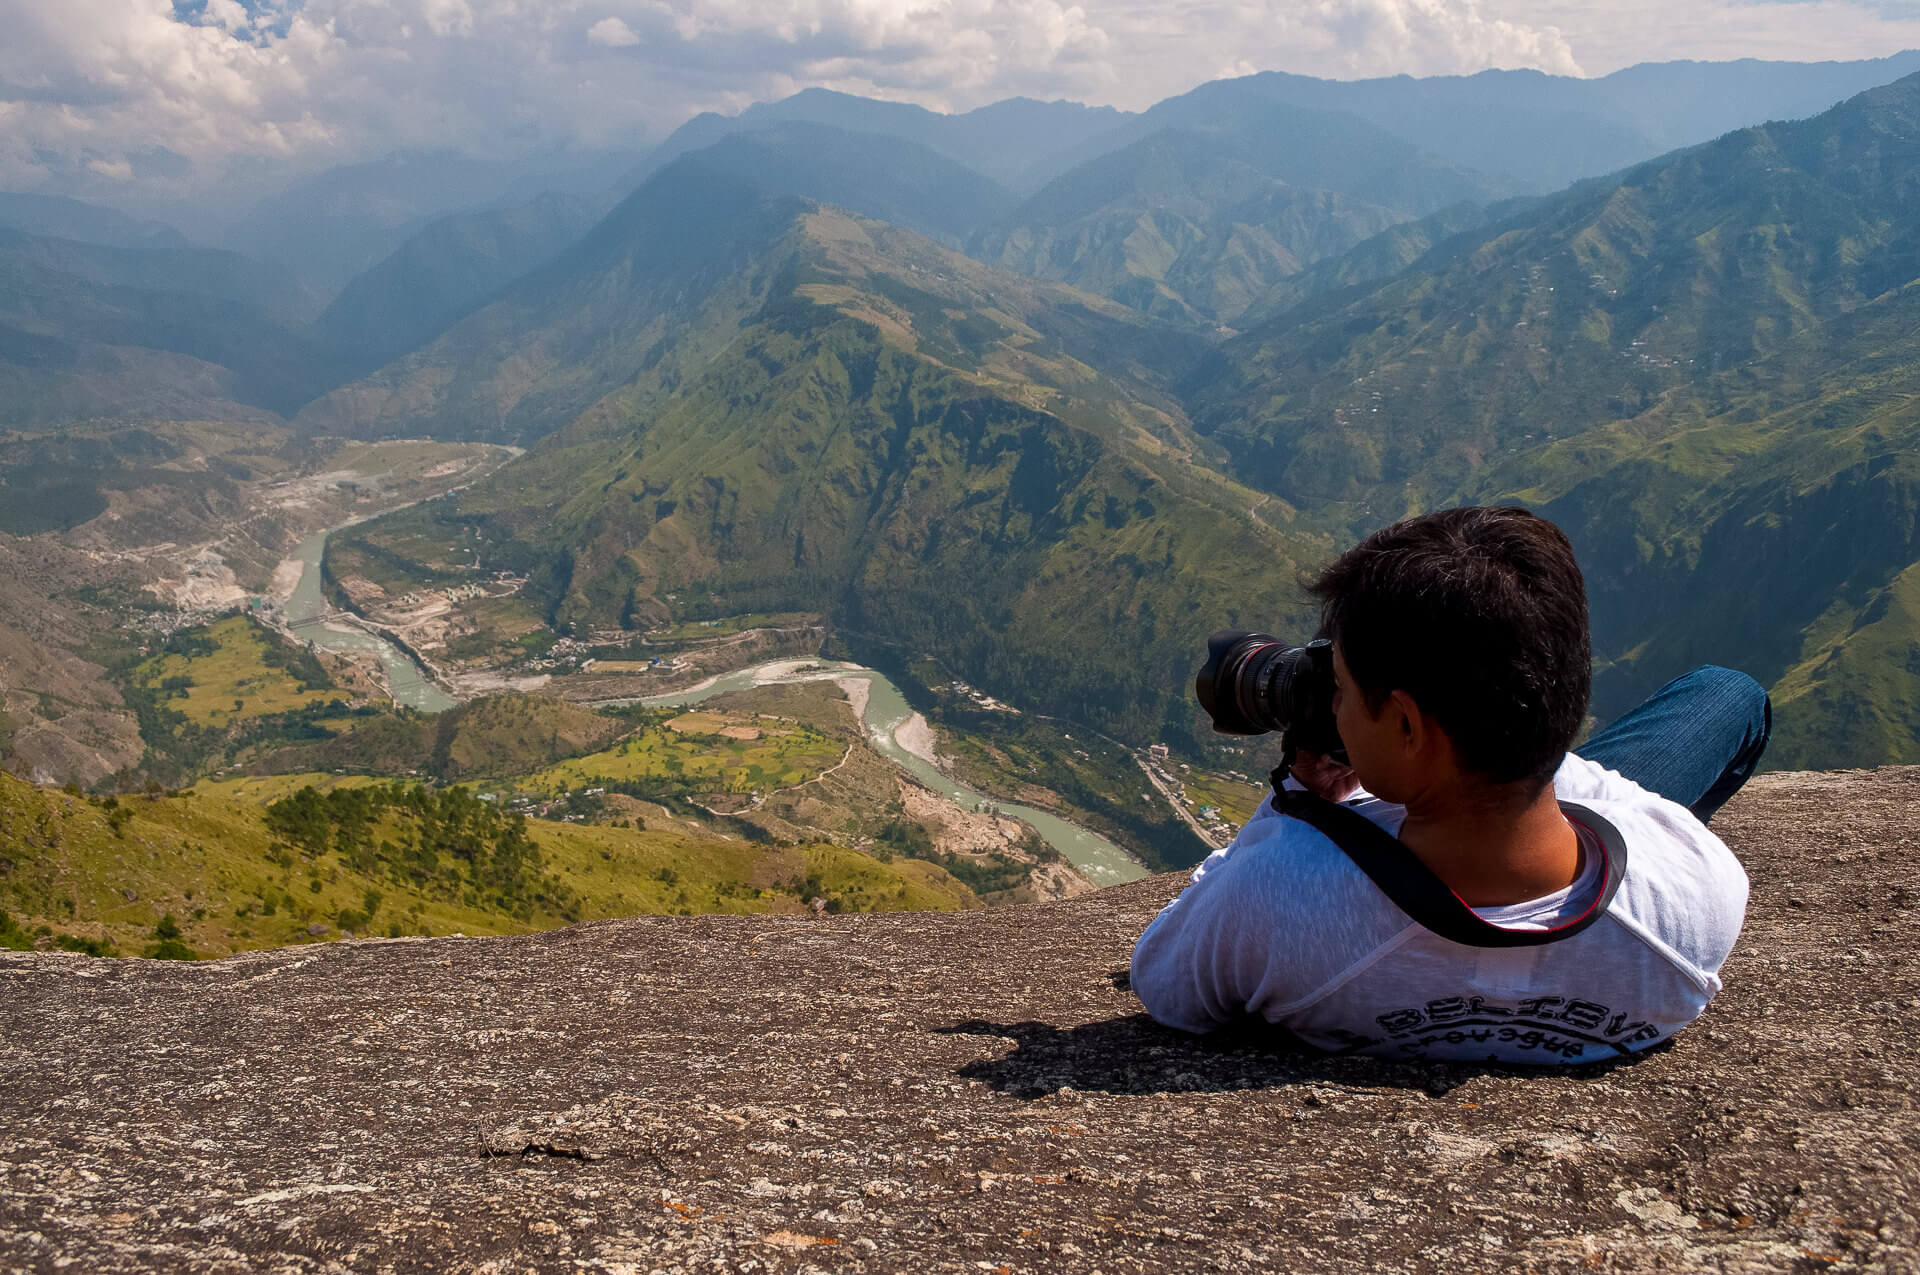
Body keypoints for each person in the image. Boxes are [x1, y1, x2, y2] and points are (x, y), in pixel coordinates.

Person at [1129, 506, 1770, 1063]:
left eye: (1340, 691)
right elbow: (1584, 785)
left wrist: (1295, 806)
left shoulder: (1274, 900)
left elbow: (1165, 979)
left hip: (1393, 864)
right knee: (1730, 693)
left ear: (1408, 725)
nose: (1332, 711)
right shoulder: (1700, 890)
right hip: (1578, 874)